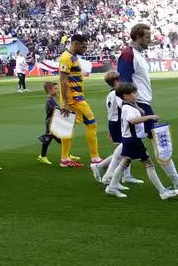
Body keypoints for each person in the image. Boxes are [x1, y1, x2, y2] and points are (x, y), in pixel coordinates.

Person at [115, 23, 178, 192]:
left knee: (130, 143)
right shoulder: (128, 54)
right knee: (160, 140)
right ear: (138, 37)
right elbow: (124, 84)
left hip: (141, 103)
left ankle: (108, 177)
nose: (150, 39)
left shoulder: (136, 54)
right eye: (147, 37)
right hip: (139, 104)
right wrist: (135, 106)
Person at [102, 82, 178, 200]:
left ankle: (111, 187)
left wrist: (138, 108)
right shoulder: (127, 108)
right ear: (125, 96)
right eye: (133, 93)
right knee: (149, 165)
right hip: (134, 141)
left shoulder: (127, 105)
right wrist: (150, 117)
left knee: (124, 163)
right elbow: (133, 121)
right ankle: (163, 192)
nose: (136, 95)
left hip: (129, 140)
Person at [55, 34, 100, 169]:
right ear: (75, 43)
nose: (85, 49)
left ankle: (65, 159)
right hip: (74, 99)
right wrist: (65, 102)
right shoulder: (66, 58)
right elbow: (63, 81)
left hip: (74, 97)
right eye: (83, 46)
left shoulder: (72, 57)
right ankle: (95, 158)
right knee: (91, 123)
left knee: (67, 126)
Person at [92, 71, 143, 187]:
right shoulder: (117, 93)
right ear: (116, 81)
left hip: (113, 123)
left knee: (123, 151)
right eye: (120, 79)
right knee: (123, 151)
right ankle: (103, 170)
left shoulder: (110, 94)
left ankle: (125, 176)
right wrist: (138, 108)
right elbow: (125, 104)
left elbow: (111, 111)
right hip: (118, 123)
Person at [36, 82, 63, 164]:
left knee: (61, 139)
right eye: (55, 89)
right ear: (49, 90)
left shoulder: (52, 99)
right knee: (48, 140)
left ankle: (66, 155)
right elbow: (55, 111)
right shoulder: (49, 100)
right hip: (51, 123)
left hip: (54, 122)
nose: (57, 90)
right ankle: (42, 156)